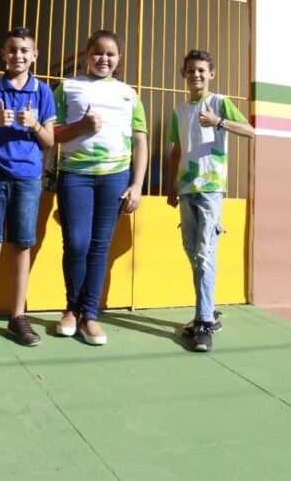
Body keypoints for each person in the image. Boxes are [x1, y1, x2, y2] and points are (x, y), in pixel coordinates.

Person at [52, 29, 148, 346]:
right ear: (86, 54)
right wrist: (81, 126)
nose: (103, 59)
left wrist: (137, 184)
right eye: (97, 52)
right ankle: (71, 309)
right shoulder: (68, 87)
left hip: (115, 178)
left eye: (110, 54)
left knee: (99, 246)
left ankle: (90, 316)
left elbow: (140, 140)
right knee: (76, 243)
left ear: (118, 59)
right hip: (75, 175)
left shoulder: (129, 93)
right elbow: (50, 133)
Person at [0, 27, 56, 351]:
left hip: (28, 178)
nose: (18, 55)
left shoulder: (43, 92)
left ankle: (18, 316)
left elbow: (50, 142)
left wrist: (33, 124)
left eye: (24, 50)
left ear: (34, 55)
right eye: (12, 50)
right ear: (3, 55)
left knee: (22, 244)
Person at [166, 49, 254, 352]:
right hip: (187, 188)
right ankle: (208, 312)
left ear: (211, 74)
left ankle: (204, 322)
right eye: (191, 70)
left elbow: (251, 131)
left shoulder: (219, 103)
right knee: (193, 253)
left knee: (205, 254)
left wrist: (219, 122)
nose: (197, 75)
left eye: (202, 70)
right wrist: (171, 186)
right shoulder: (179, 110)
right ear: (183, 74)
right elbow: (177, 150)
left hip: (211, 188)